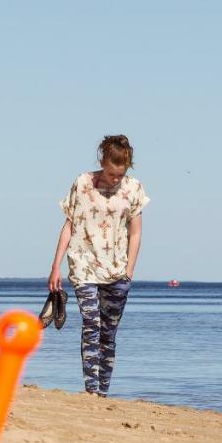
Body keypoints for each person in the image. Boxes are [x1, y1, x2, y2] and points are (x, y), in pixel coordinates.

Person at [48, 135, 150, 397]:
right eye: (111, 173)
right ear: (102, 162)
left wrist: (129, 272)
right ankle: (91, 391)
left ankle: (103, 391)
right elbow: (69, 226)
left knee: (108, 333)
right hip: (83, 265)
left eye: (120, 174)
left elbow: (136, 233)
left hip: (117, 269)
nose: (115, 179)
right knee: (91, 325)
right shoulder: (82, 183)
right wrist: (55, 267)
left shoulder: (134, 189)